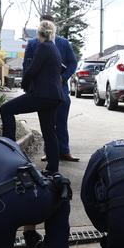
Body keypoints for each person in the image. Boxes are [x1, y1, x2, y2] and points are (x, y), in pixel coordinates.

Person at [1, 19, 64, 173]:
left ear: (38, 34)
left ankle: (9, 153)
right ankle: (53, 170)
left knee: (6, 110)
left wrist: (24, 83)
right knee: (49, 132)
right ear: (52, 33)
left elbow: (32, 70)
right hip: (54, 97)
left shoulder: (43, 47)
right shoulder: (54, 48)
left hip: (42, 95)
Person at [23, 14, 79, 163]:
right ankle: (49, 152)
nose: (47, 29)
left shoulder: (64, 43)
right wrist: (29, 87)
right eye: (44, 25)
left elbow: (73, 63)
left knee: (61, 121)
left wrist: (63, 77)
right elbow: (27, 66)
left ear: (54, 27)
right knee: (48, 123)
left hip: (61, 90)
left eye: (49, 25)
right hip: (42, 92)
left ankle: (65, 151)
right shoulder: (33, 44)